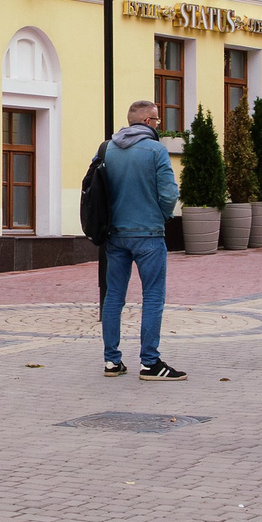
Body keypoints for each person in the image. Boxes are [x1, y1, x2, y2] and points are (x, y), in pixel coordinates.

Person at [101, 100, 189, 382]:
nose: (159, 126)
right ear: (148, 122)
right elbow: (169, 194)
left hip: (115, 235)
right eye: (158, 120)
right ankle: (150, 363)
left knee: (114, 296)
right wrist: (161, 216)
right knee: (152, 296)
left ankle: (112, 361)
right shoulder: (156, 150)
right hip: (149, 235)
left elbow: (95, 191)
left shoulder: (107, 149)